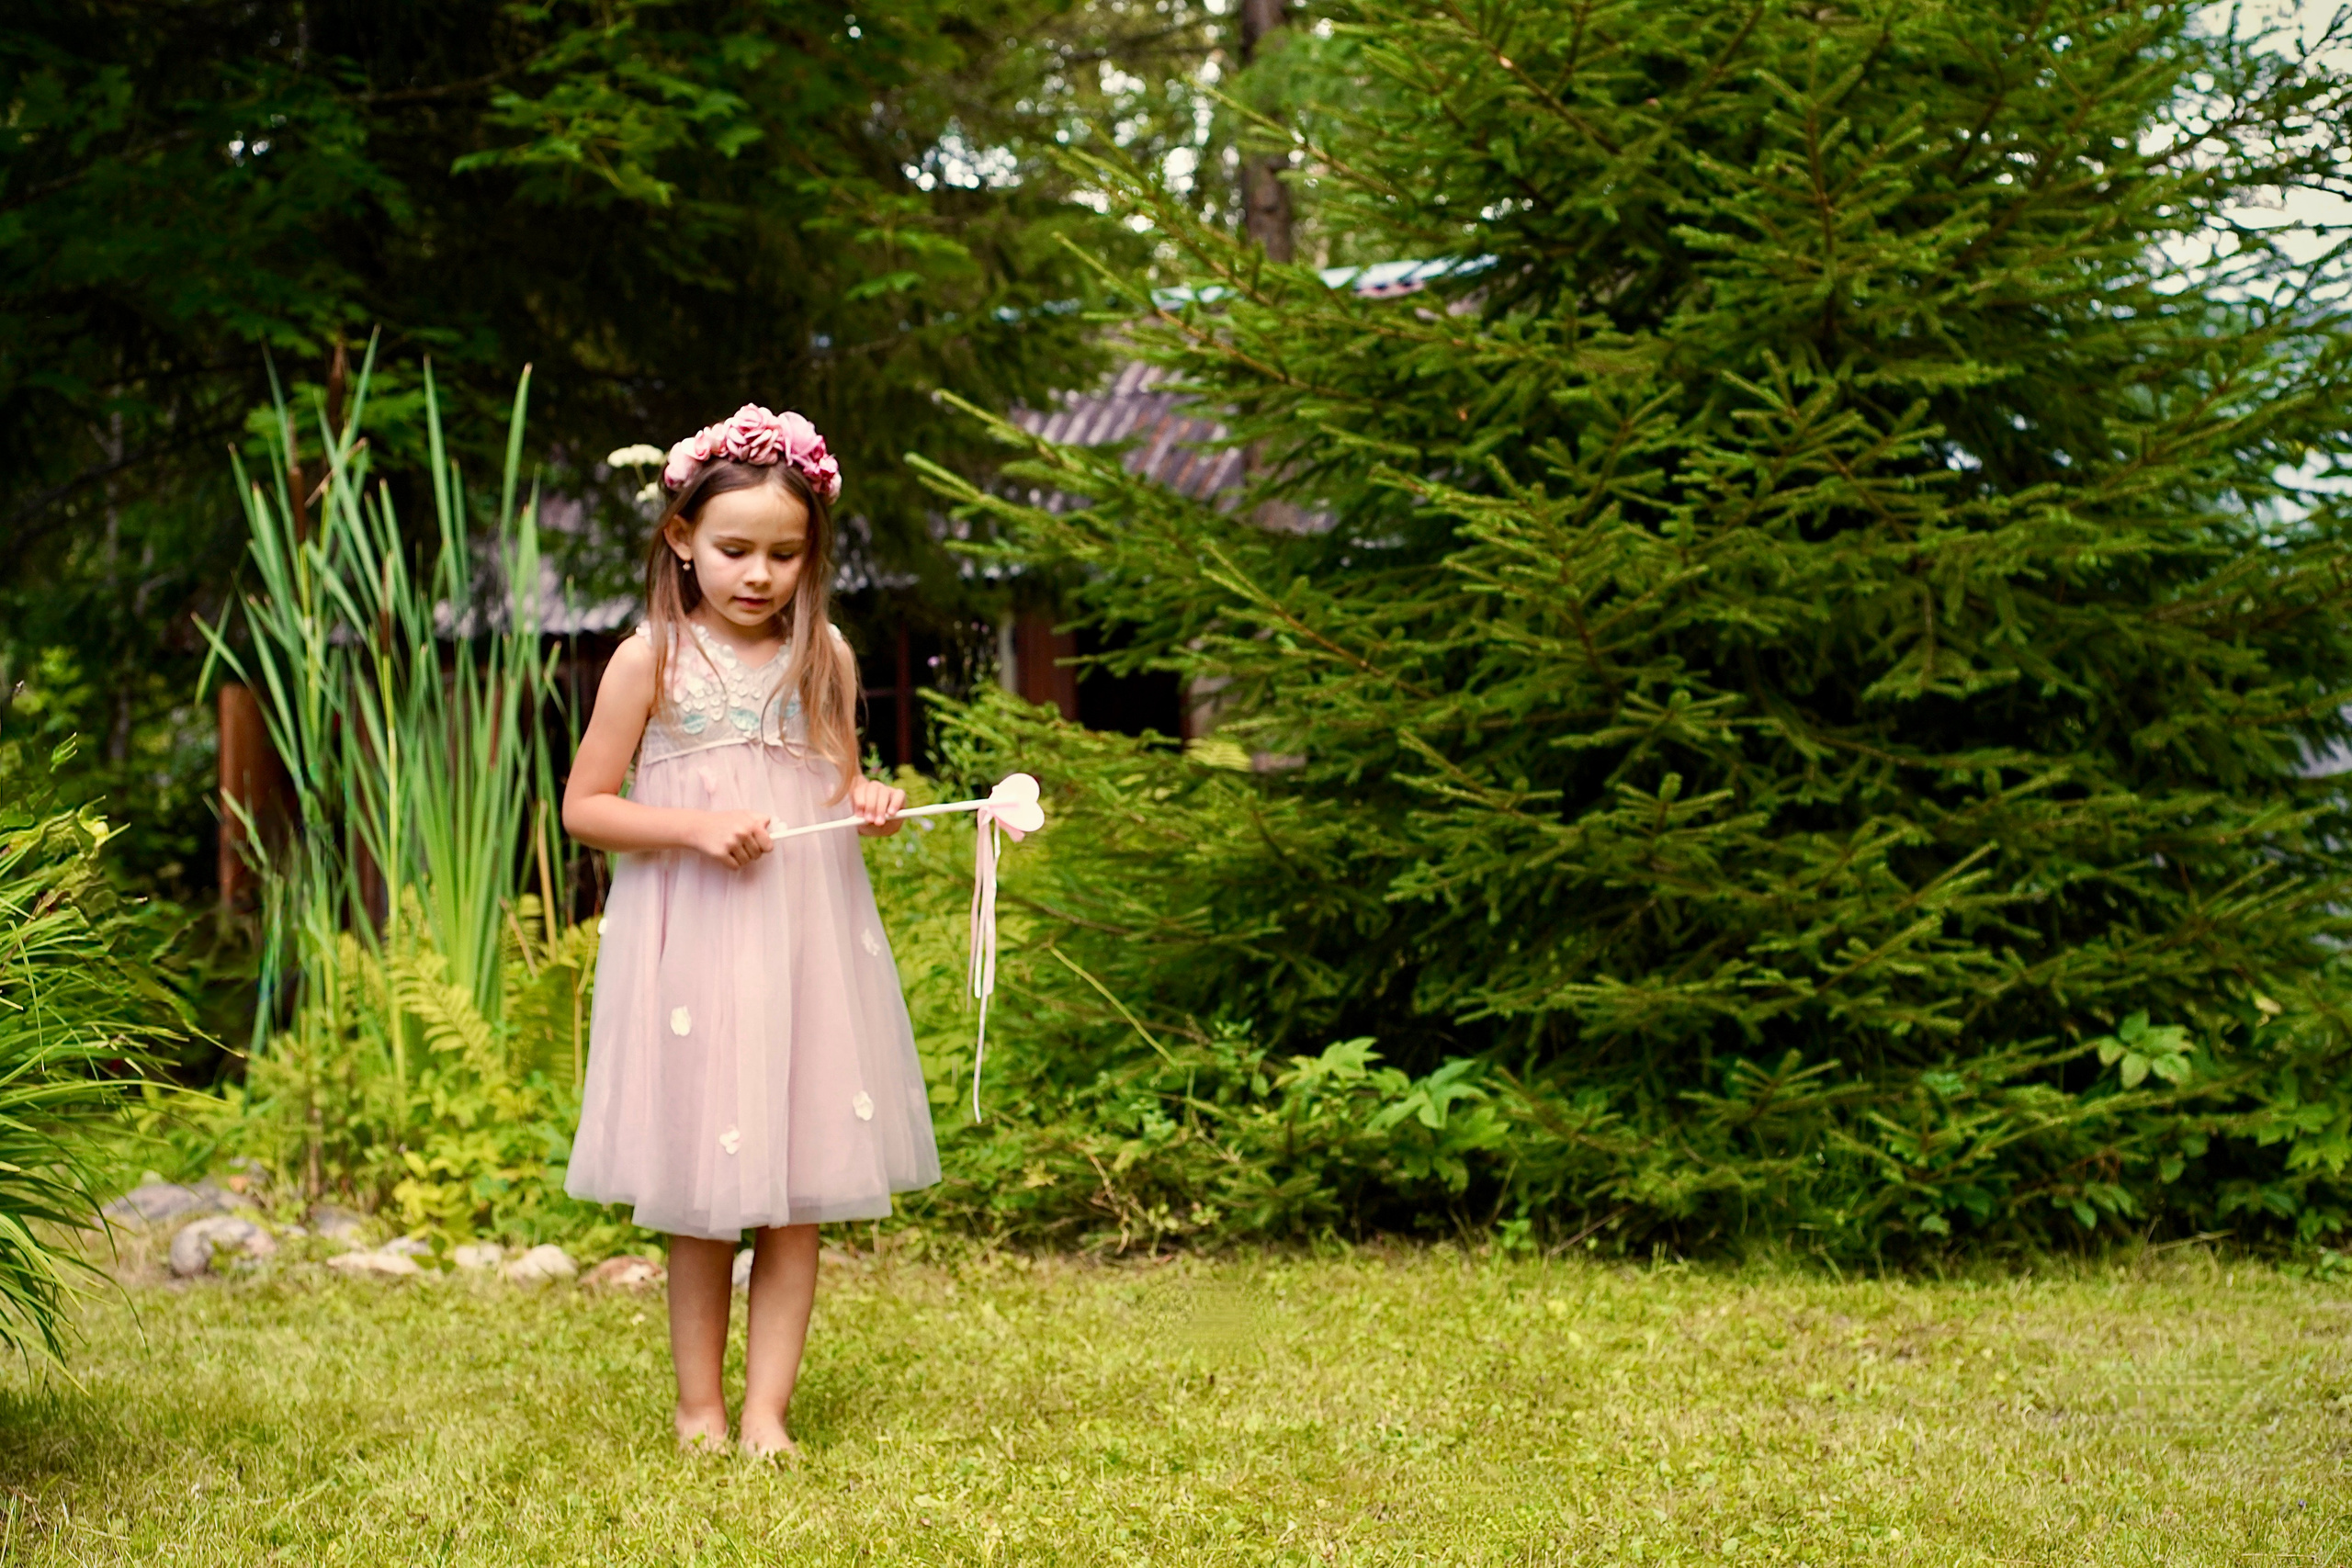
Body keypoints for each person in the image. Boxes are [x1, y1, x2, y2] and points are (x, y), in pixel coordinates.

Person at [562, 403, 939, 1458]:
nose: (757, 574)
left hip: (802, 945)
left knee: (795, 1186)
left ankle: (768, 1414)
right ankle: (700, 1412)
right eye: (733, 549)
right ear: (682, 539)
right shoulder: (651, 660)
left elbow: (841, 780)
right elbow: (586, 807)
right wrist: (693, 825)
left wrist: (867, 797)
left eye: (783, 553)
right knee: (701, 1192)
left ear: (810, 555)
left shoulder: (826, 655)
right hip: (696, 945)